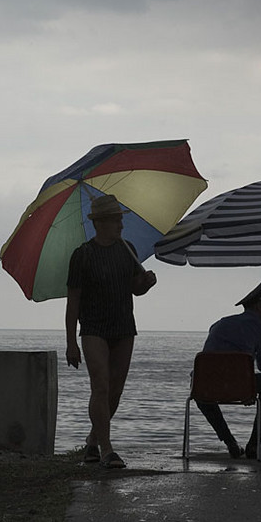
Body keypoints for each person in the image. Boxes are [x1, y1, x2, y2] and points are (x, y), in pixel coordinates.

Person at [65, 194, 157, 469]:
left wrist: (146, 283)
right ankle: (107, 449)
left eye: (120, 219)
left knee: (115, 392)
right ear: (101, 223)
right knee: (101, 386)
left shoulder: (126, 249)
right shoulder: (82, 255)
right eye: (117, 220)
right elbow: (73, 302)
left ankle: (92, 441)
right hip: (93, 328)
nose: (121, 225)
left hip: (124, 327)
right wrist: (71, 342)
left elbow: (134, 289)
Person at [197, 278, 261, 460]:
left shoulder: (220, 323)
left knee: (201, 390)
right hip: (241, 387)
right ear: (258, 306)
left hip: (206, 386)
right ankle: (254, 443)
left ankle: (230, 442)